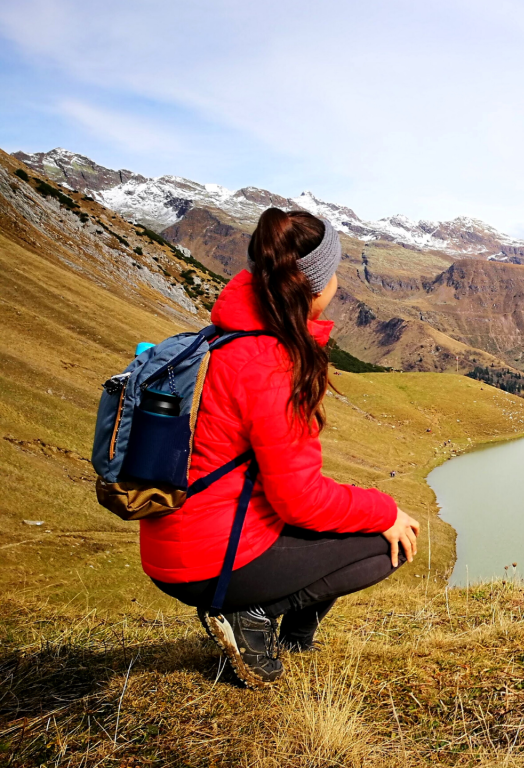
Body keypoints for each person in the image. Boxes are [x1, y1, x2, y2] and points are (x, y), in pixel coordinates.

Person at [141, 208, 420, 686]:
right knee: (386, 540)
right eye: (333, 273)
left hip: (171, 548)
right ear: (313, 285)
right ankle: (253, 614)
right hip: (215, 560)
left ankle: (288, 635)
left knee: (360, 522)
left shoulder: (224, 338)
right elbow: (301, 501)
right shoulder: (270, 364)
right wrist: (386, 509)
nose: (337, 284)